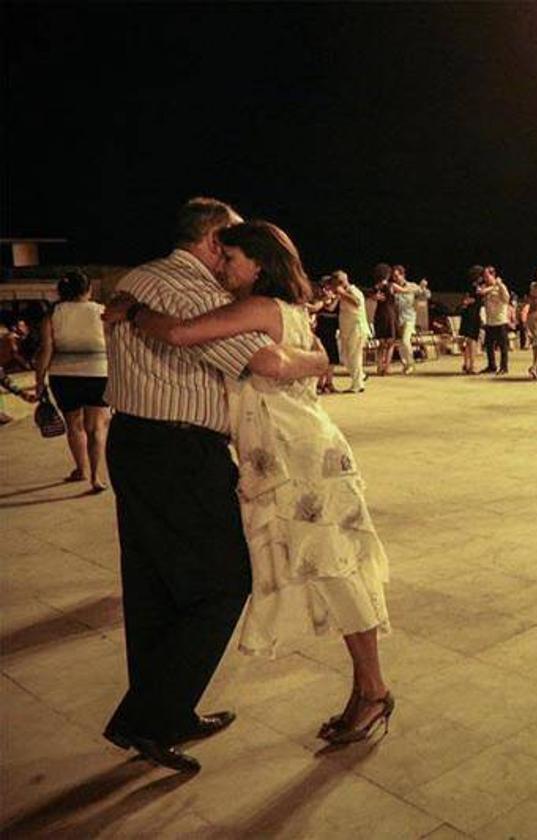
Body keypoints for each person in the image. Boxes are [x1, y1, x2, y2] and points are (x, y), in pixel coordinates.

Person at [105, 219, 393, 749]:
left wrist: (137, 311)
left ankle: (372, 690)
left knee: (334, 569)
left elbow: (184, 334)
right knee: (332, 567)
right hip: (288, 451)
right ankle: (367, 689)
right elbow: (299, 361)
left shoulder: (255, 307)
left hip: (297, 456)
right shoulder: (280, 308)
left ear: (257, 264)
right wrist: (317, 359)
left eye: (232, 260)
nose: (224, 270)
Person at [33, 270, 111, 492]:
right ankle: (96, 477)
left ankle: (81, 469)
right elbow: (112, 346)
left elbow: (46, 350)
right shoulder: (101, 311)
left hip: (63, 376)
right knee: (96, 427)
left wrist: (39, 380)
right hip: (97, 373)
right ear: (88, 290)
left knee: (74, 426)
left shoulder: (53, 314)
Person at [332, 270, 368, 393]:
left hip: (356, 329)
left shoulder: (353, 291)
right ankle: (360, 377)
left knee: (354, 357)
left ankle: (357, 384)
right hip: (347, 330)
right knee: (346, 357)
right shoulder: (343, 293)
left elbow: (357, 302)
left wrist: (342, 293)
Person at [392, 267, 430, 375]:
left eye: (397, 275)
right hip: (397, 318)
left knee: (405, 340)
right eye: (393, 276)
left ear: (402, 275)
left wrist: (423, 287)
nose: (395, 278)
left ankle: (411, 363)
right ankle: (405, 364)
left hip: (409, 318)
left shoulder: (412, 286)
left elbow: (425, 295)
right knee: (400, 344)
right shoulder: (393, 287)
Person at [309, 276, 340, 395]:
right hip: (322, 330)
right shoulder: (320, 297)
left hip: (331, 329)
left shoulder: (334, 296)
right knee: (323, 357)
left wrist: (335, 298)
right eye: (326, 285)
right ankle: (320, 384)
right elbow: (321, 308)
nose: (328, 288)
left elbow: (332, 308)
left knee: (332, 358)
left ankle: (329, 382)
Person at [479, 266, 511, 375]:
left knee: (503, 347)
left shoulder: (501, 287)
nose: (485, 278)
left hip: (500, 321)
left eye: (486, 275)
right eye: (484, 276)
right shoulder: (486, 287)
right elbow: (480, 292)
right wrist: (491, 287)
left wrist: (499, 285)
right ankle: (491, 366)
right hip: (490, 321)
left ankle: (504, 367)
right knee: (489, 346)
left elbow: (507, 299)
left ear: (493, 275)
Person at [371, 263, 401, 376]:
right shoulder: (391, 286)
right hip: (390, 314)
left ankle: (379, 367)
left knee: (381, 343)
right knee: (391, 342)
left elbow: (372, 297)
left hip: (379, 314)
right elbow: (405, 290)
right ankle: (386, 367)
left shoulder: (376, 287)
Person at [458, 266, 484, 374]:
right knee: (472, 340)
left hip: (466, 315)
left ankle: (466, 363)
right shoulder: (475, 286)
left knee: (468, 340)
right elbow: (478, 295)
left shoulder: (467, 285)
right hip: (472, 315)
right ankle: (472, 365)